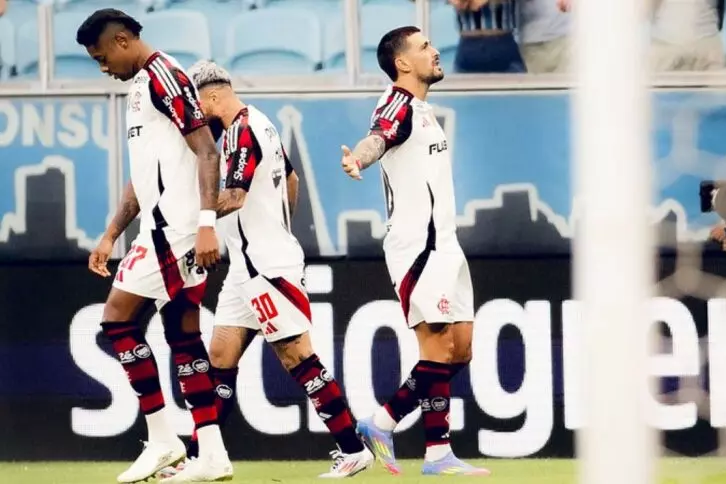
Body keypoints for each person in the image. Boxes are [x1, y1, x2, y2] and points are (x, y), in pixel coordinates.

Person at [159, 60, 374, 481]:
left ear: (211, 96)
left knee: (297, 355)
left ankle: (353, 449)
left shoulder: (242, 129)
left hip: (266, 266)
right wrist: (277, 225)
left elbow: (236, 196)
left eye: (196, 104)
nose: (194, 114)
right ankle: (203, 456)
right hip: (245, 267)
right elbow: (291, 180)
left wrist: (194, 221)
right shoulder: (260, 123)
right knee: (219, 358)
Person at [76, 8, 231, 483]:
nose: (103, 67)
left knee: (116, 321)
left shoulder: (165, 76)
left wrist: (206, 223)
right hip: (164, 228)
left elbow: (206, 150)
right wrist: (111, 233)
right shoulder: (142, 86)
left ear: (123, 40)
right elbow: (144, 176)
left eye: (102, 57)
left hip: (177, 230)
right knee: (183, 338)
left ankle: (163, 439)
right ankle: (212, 454)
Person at [340, 26, 490, 477]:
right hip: (418, 246)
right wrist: (358, 159)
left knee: (460, 349)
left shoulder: (422, 110)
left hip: (445, 243)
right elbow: (378, 137)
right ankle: (437, 453)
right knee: (437, 345)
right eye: (424, 47)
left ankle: (382, 422)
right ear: (402, 62)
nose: (435, 51)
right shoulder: (397, 104)